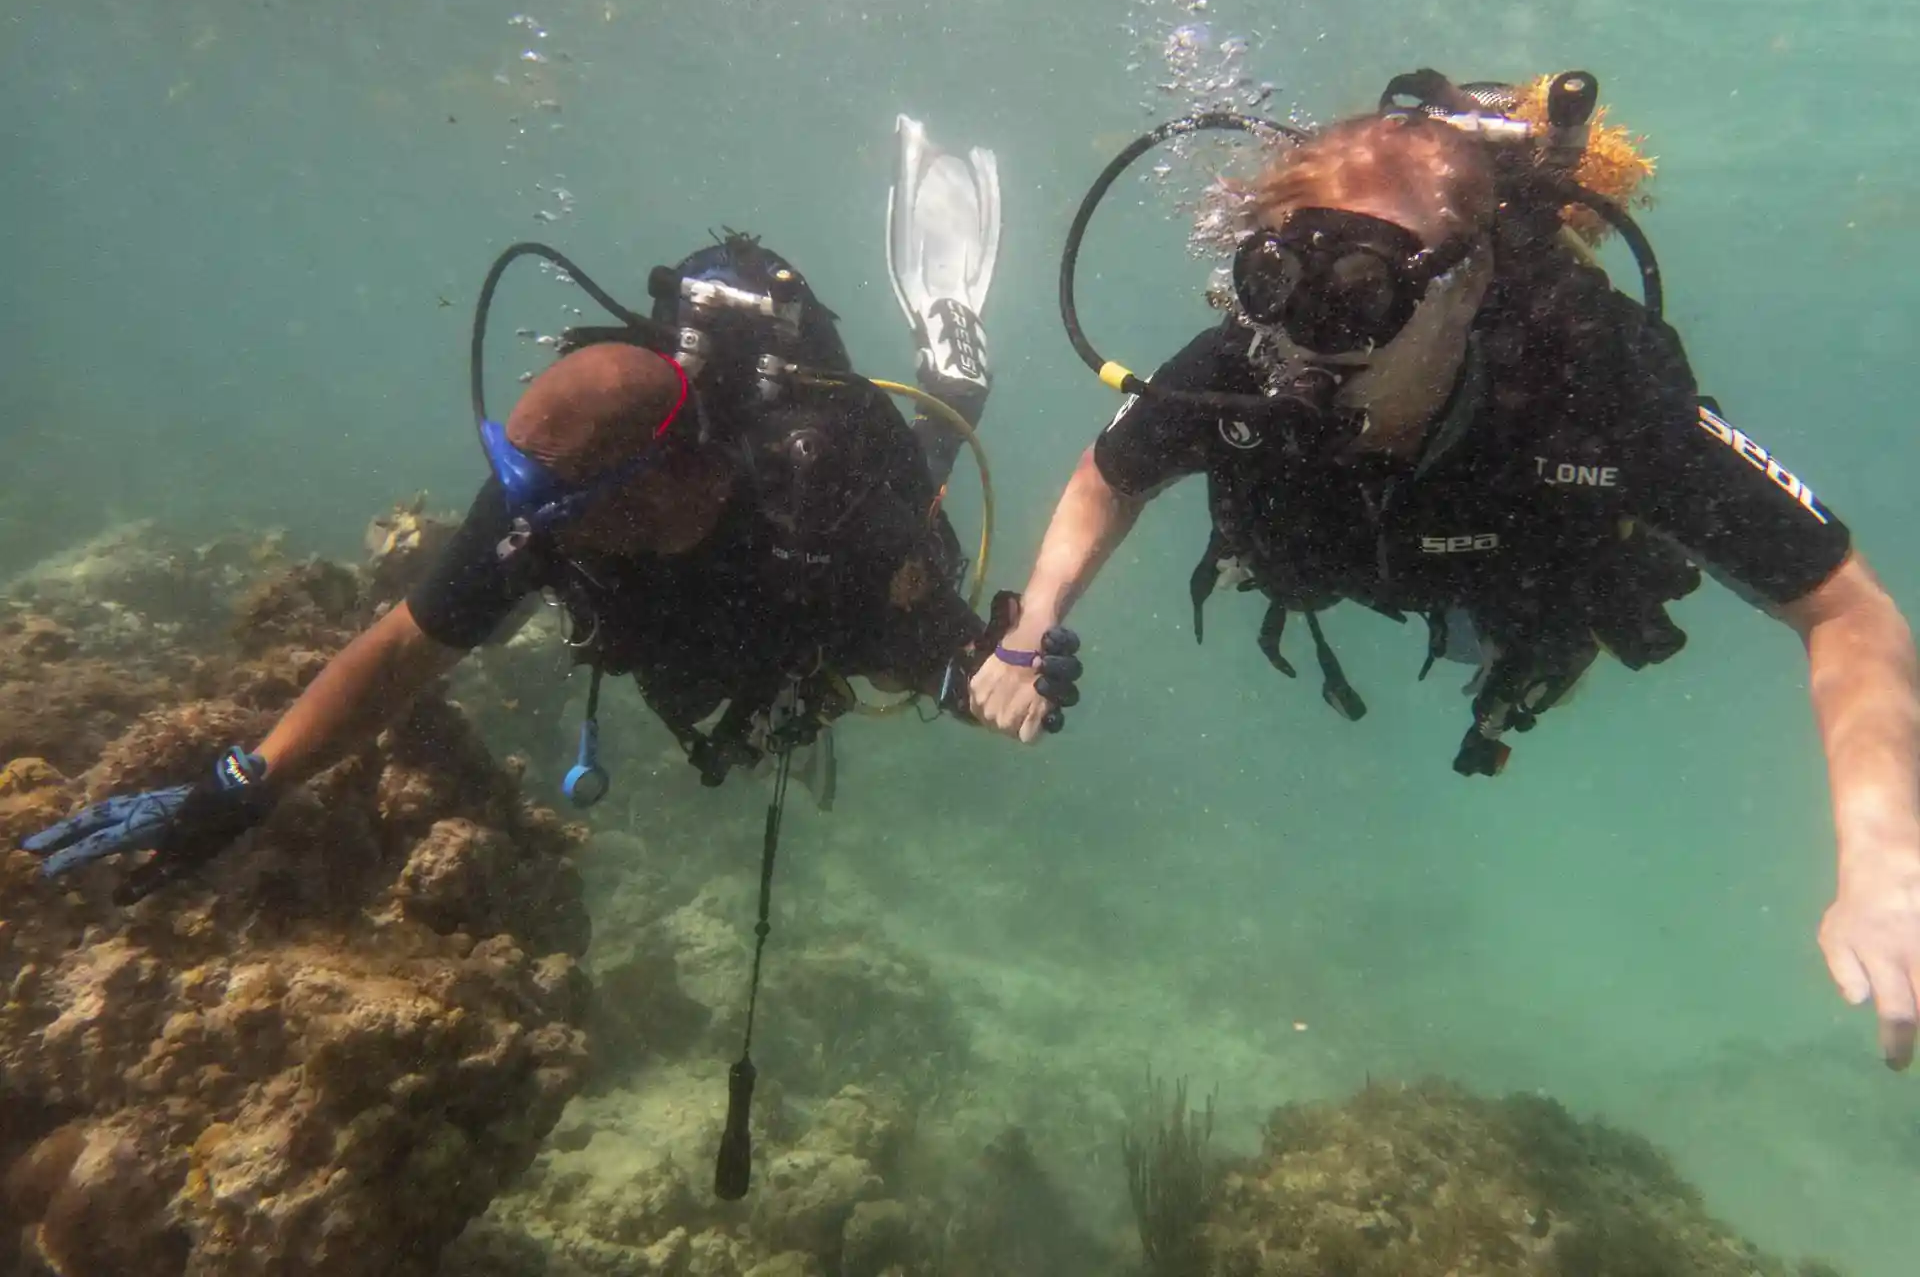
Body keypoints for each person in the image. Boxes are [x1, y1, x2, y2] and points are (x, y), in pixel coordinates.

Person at [969, 71, 1920, 1072]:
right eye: (1277, 282)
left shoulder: (1593, 387)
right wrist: (1031, 625)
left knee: (1548, 635)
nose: (1305, 336)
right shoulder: (1243, 360)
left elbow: (1848, 609)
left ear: (1466, 286)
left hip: (1522, 565)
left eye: (1362, 293)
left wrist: (1887, 853)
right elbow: (1108, 478)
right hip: (1339, 555)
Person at [23, 121, 1081, 903]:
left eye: (573, 516)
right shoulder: (551, 490)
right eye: (533, 504)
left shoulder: (825, 510)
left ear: (672, 479)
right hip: (710, 611)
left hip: (828, 570)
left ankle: (952, 378)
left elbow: (946, 666)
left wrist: (1007, 671)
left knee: (902, 550)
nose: (539, 539)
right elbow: (404, 649)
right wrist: (246, 782)